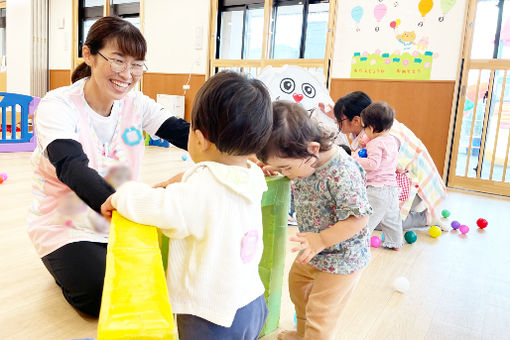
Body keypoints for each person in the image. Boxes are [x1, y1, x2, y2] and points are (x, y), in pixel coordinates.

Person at [27, 16, 190, 317]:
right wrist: (119, 202)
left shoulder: (137, 103)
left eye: (137, 64)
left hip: (122, 218)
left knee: (172, 276)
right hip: (65, 224)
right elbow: (70, 166)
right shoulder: (57, 105)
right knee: (100, 295)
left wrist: (240, 154)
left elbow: (185, 133)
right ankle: (65, 262)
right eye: (118, 60)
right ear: (88, 54)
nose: (127, 74)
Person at [100, 71, 272, 340]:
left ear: (200, 139)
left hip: (210, 314)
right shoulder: (252, 175)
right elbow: (208, 187)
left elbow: (162, 208)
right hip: (252, 301)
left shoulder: (202, 187)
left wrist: (123, 195)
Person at [257, 101, 372, 340]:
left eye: (286, 168)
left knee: (321, 313)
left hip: (342, 258)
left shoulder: (342, 172)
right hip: (314, 250)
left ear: (312, 148)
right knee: (298, 289)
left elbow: (358, 219)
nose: (285, 173)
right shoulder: (303, 160)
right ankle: (302, 334)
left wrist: (322, 239)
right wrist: (273, 167)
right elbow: (293, 166)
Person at [331, 91, 447, 231]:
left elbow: (376, 168)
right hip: (391, 181)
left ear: (356, 120)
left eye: (339, 120)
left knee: (378, 221)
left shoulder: (383, 137)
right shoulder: (373, 125)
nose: (337, 124)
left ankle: (426, 218)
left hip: (412, 185)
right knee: (364, 212)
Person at [352, 102, 403, 249]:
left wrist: (356, 157)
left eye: (365, 128)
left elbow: (373, 164)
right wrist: (365, 145)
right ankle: (395, 242)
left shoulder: (375, 144)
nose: (364, 132)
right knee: (392, 218)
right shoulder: (392, 140)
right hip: (392, 187)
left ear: (372, 128)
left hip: (377, 189)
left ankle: (358, 243)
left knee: (367, 217)